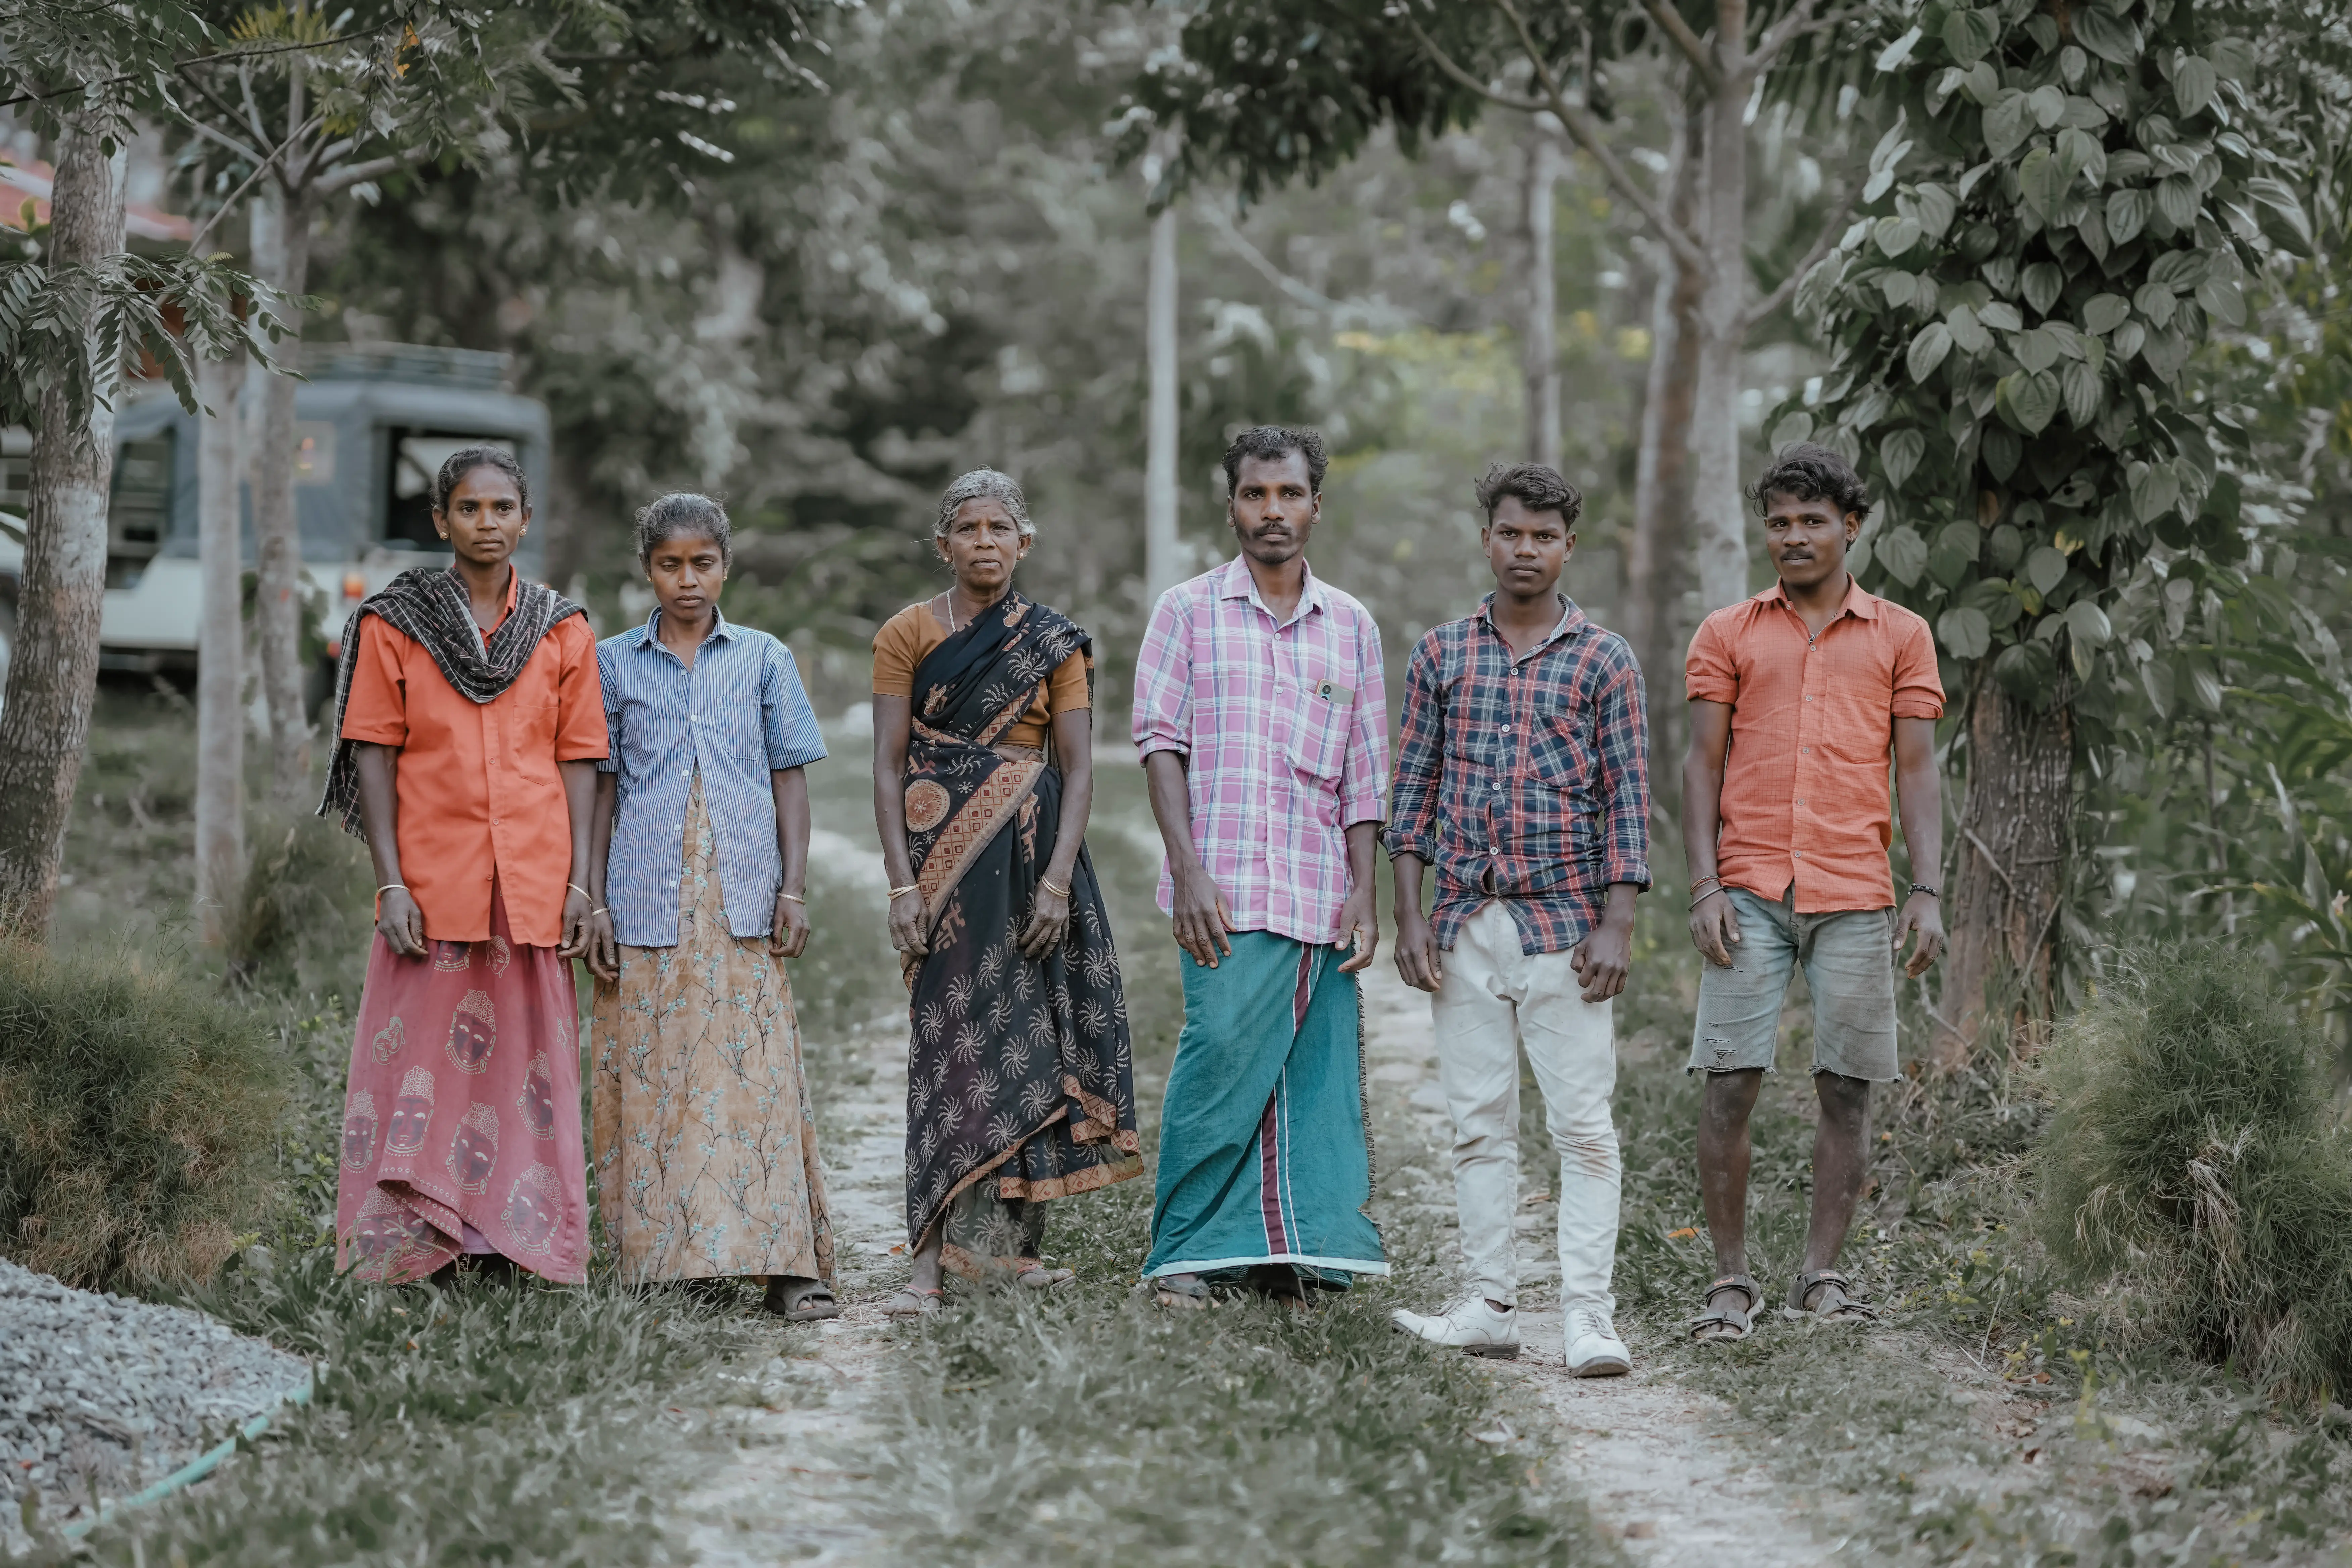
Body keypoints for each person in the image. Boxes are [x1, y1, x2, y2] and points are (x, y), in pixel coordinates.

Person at [1386, 463, 1650, 1373]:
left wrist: (1618, 922)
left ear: (1568, 546)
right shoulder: (1442, 654)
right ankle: (1489, 1303)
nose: (1525, 549)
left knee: (1583, 1126)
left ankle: (1588, 1317)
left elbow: (1626, 799)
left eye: (1543, 536)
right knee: (1478, 1121)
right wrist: (1411, 916)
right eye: (1510, 532)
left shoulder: (1605, 659)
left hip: (1567, 927)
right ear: (1486, 538)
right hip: (1464, 919)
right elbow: (1411, 790)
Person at [1681, 443, 1946, 1342]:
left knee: (1847, 1088)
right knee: (1729, 1082)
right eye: (1779, 522)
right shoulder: (1728, 633)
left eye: (1812, 522)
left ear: (1852, 527)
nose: (1792, 538)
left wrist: (1929, 890)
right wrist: (1703, 885)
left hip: (1857, 892)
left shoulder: (1901, 636)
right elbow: (1701, 765)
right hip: (1749, 888)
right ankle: (1729, 1282)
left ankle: (1821, 1274)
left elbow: (1916, 770)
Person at [320, 446, 603, 1285]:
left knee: (527, 1068)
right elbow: (372, 749)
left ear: (525, 518)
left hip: (532, 879)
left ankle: (512, 1244)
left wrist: (582, 882)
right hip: (433, 882)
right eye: (469, 509)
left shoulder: (561, 627)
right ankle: (413, 1246)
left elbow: (582, 757)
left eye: (503, 508)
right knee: (417, 1069)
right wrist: (392, 879)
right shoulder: (394, 623)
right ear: (441, 521)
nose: (488, 523)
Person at [871, 468, 1141, 1315]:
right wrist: (901, 884)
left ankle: (1014, 1251)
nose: (984, 541)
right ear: (942, 543)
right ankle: (929, 1259)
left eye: (1000, 528)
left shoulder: (1054, 641)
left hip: (1032, 872)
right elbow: (886, 766)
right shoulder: (907, 633)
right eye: (968, 527)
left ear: (1025, 542)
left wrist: (1059, 880)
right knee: (948, 1041)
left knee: (1034, 1038)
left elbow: (1077, 767)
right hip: (943, 868)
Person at [1135, 425, 1391, 1307]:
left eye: (1289, 495)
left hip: (1320, 892)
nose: (1272, 512)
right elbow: (1160, 745)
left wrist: (1365, 892)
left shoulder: (1352, 625)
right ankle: (1186, 1253)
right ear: (1233, 503)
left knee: (1308, 1079)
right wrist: (1188, 868)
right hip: (1225, 890)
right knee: (1220, 1060)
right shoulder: (1188, 611)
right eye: (1256, 495)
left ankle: (1295, 1251)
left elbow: (1366, 774)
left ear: (1316, 505)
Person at [583, 494, 838, 1320]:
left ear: (725, 564)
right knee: (656, 1079)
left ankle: (784, 1263)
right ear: (647, 569)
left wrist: (791, 887)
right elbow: (602, 789)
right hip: (642, 900)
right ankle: (664, 1262)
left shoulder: (763, 657)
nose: (686, 580)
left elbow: (789, 775)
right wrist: (589, 900)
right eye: (669, 564)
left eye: (702, 563)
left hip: (742, 902)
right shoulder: (613, 662)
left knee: (752, 1076)